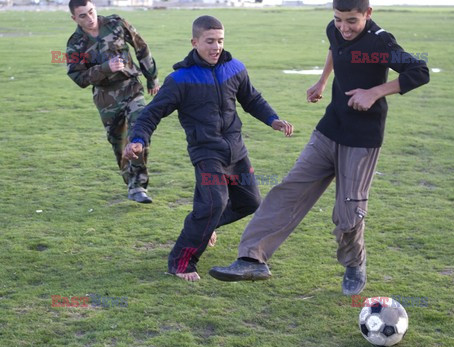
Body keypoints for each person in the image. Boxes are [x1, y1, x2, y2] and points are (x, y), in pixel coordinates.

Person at [209, 0, 429, 296]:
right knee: (289, 189)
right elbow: (334, 48)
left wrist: (375, 92)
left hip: (362, 139)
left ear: (368, 14)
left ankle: (354, 263)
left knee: (348, 214)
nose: (344, 28)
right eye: (338, 19)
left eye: (351, 21)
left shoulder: (380, 42)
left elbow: (420, 71)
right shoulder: (335, 30)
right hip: (328, 130)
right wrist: (322, 81)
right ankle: (251, 258)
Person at [123, 15, 294, 282]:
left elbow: (252, 98)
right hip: (207, 153)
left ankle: (206, 224)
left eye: (220, 41)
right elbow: (150, 114)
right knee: (214, 202)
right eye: (210, 41)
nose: (216, 47)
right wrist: (138, 140)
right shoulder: (180, 80)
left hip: (236, 150)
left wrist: (273, 119)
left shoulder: (234, 68)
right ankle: (181, 262)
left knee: (250, 202)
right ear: (195, 42)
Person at [66, 0, 160, 203]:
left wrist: (152, 77)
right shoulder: (75, 44)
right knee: (119, 144)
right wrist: (105, 68)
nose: (90, 18)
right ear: (74, 18)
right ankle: (130, 180)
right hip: (105, 98)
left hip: (131, 88)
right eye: (83, 15)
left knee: (139, 133)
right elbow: (78, 77)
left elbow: (141, 46)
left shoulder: (116, 23)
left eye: (91, 12)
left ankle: (138, 186)